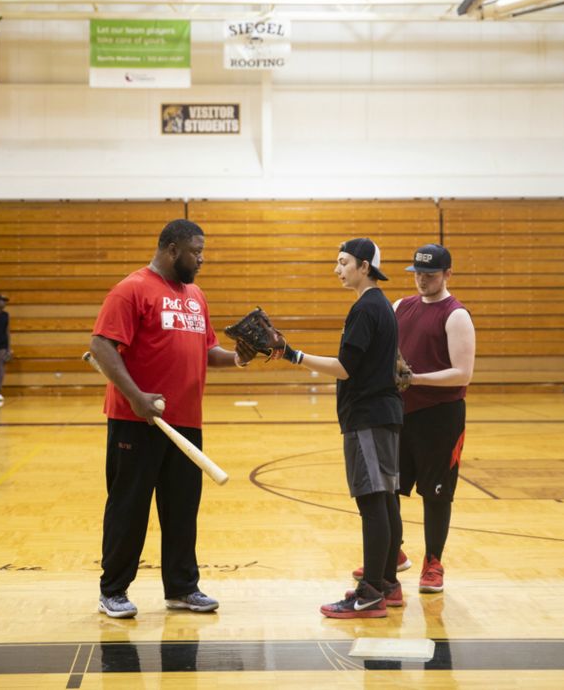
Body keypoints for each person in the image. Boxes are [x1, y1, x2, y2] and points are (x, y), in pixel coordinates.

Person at [90, 219, 244, 619]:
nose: (202, 258)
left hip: (187, 421)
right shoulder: (132, 289)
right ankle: (113, 591)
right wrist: (137, 397)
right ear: (172, 249)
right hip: (137, 420)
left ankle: (181, 588)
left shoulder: (195, 295)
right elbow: (101, 345)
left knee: (181, 509)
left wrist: (240, 356)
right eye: (196, 250)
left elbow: (208, 351)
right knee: (129, 507)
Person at [265, 238, 404, 618]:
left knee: (373, 502)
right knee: (387, 499)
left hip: (368, 417)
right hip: (385, 414)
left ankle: (371, 592)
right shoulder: (381, 306)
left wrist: (293, 355)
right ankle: (388, 583)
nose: (337, 269)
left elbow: (345, 368)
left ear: (363, 266)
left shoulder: (366, 308)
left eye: (342, 262)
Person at [383, 244, 475, 594]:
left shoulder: (456, 315)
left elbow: (462, 374)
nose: (422, 280)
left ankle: (433, 561)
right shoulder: (399, 306)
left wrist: (415, 379)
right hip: (399, 413)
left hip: (441, 416)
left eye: (431, 274)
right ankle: (393, 552)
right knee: (388, 486)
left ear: (447, 274)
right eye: (418, 273)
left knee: (437, 493)